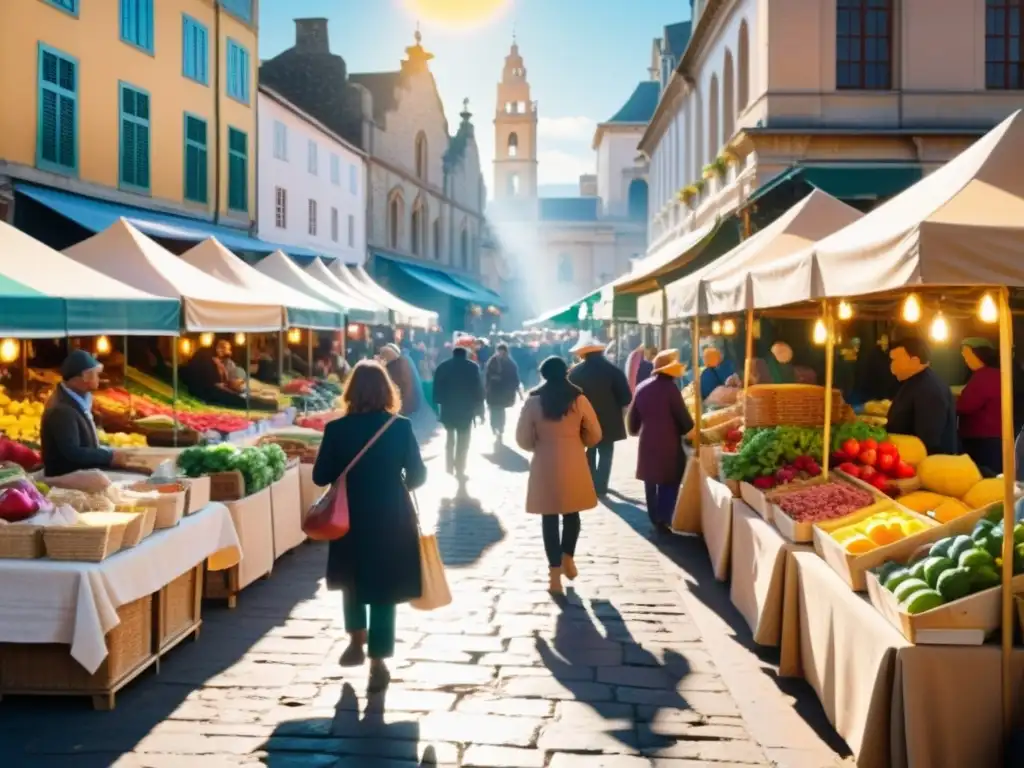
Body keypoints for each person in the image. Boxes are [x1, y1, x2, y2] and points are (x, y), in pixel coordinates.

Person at [311, 360, 426, 694]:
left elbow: (320, 476)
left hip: (349, 518)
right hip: (392, 518)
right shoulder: (400, 427)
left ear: (351, 391)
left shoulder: (337, 429)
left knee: (352, 578)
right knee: (384, 590)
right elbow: (418, 475)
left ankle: (355, 638)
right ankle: (378, 660)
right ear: (386, 390)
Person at [516, 357, 602, 595]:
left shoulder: (533, 401)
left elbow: (522, 439)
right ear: (566, 373)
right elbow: (595, 434)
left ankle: (554, 576)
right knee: (572, 513)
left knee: (549, 518)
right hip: (574, 459)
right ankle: (568, 556)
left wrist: (541, 445)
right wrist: (577, 442)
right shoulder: (579, 399)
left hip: (544, 462)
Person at [627, 350, 695, 533]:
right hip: (668, 441)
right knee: (669, 478)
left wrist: (635, 430)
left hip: (647, 440)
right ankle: (664, 517)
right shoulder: (671, 389)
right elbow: (684, 418)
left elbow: (632, 420)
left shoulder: (642, 387)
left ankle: (654, 517)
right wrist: (688, 430)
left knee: (651, 479)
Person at [41, 350, 133, 477]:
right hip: (71, 477)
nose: (99, 379)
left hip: (86, 470)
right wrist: (109, 457)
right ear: (85, 376)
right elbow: (73, 453)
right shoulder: (62, 410)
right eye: (96, 374)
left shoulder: (77, 400)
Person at [568, 335, 632, 496]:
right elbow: (626, 397)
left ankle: (590, 482)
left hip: (584, 420)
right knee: (606, 452)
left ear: (583, 354)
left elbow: (568, 397)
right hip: (609, 420)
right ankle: (601, 486)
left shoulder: (575, 373)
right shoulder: (613, 370)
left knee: (589, 450)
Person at [886, 336, 957, 455]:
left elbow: (928, 441)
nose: (891, 366)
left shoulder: (929, 389)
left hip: (931, 466)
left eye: (895, 360)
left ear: (914, 361)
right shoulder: (914, 382)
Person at [432, 345, 484, 477]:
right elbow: (478, 389)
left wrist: (438, 402)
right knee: (463, 439)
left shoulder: (443, 366)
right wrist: (480, 408)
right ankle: (460, 465)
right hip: (466, 408)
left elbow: (436, 387)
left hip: (448, 408)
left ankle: (449, 465)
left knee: (450, 438)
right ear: (465, 354)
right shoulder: (472, 367)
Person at [956, 337, 1002, 474]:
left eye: (968, 355)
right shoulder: (995, 374)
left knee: (985, 476)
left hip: (982, 439)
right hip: (991, 436)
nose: (966, 360)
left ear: (980, 354)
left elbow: (967, 405)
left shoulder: (985, 376)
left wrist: (948, 404)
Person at [484, 342, 521, 443]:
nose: (500, 353)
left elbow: (514, 378)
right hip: (493, 390)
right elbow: (487, 375)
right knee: (492, 410)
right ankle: (493, 426)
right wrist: (487, 385)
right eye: (499, 351)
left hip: (503, 391)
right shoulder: (492, 361)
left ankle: (500, 428)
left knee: (500, 411)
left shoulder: (510, 363)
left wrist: (515, 389)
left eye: (502, 351)